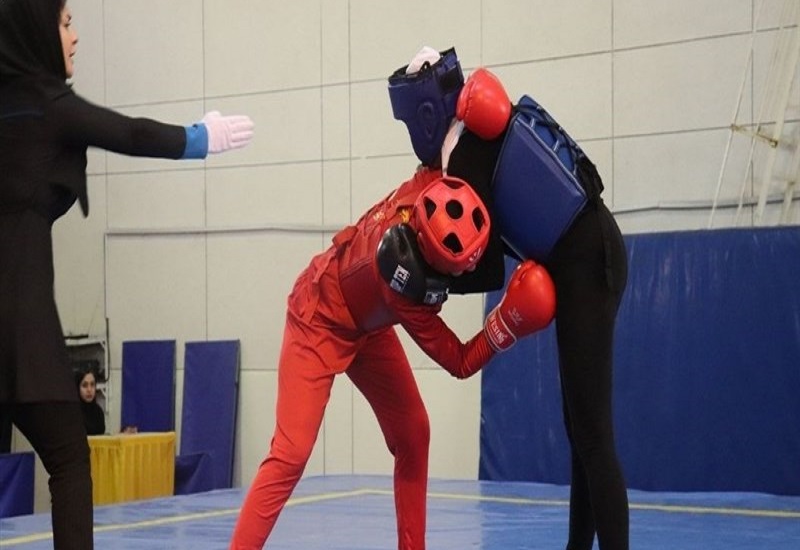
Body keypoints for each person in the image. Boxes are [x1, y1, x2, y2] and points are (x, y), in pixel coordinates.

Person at [0, 0, 254, 550]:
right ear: (38, 30)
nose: (75, 36)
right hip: (19, 322)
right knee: (69, 461)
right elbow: (129, 132)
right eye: (65, 23)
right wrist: (200, 137)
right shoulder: (45, 105)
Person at [229, 172, 557, 549]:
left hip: (368, 327)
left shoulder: (427, 183)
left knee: (413, 433)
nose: (469, 271)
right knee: (291, 453)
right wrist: (505, 325)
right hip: (317, 319)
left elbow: (437, 145)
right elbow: (460, 361)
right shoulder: (405, 289)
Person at [389, 46, 630, 550]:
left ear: (425, 115)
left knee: (593, 435)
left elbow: (483, 264)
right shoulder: (478, 134)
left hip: (587, 264)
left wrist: (426, 281)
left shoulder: (464, 154)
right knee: (581, 431)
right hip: (593, 252)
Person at [75, 367, 105, 436]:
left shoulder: (98, 412)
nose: (89, 390)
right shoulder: (73, 413)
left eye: (92, 385)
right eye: (84, 385)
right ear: (77, 388)